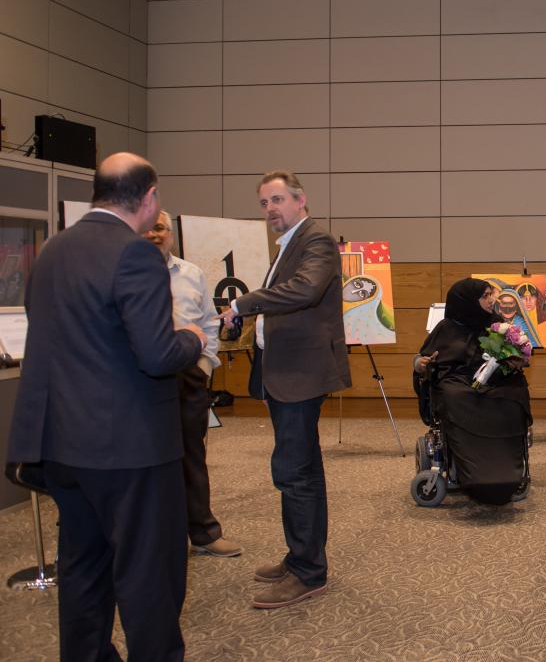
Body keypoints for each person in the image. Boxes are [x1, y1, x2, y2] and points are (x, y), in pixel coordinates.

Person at [7, 153, 205, 661]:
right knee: (148, 577)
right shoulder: (134, 255)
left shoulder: (52, 250)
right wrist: (192, 337)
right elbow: (158, 355)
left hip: (65, 446)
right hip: (131, 449)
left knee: (84, 568)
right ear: (149, 197)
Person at [218, 170, 351, 609]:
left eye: (277, 200)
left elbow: (305, 290)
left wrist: (243, 302)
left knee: (295, 472)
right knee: (300, 469)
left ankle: (309, 572)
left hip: (301, 373)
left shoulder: (316, 240)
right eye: (264, 203)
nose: (271, 209)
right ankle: (301, 559)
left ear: (300, 199)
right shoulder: (290, 243)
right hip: (285, 372)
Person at [144, 210, 243, 558]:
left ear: (170, 233)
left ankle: (203, 533)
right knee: (145, 459)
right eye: (147, 228)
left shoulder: (191, 273)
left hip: (187, 373)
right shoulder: (125, 272)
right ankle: (154, 537)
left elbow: (208, 323)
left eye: (160, 229)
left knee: (192, 455)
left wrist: (204, 367)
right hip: (141, 378)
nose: (154, 234)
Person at [415, 279, 532, 504]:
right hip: (457, 382)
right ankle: (471, 470)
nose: (491, 300)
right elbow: (422, 357)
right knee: (456, 396)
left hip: (494, 381)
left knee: (513, 393)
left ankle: (507, 470)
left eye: (491, 294)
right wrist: (420, 363)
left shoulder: (498, 325)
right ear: (468, 301)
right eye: (485, 296)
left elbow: (516, 356)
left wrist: (516, 359)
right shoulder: (447, 327)